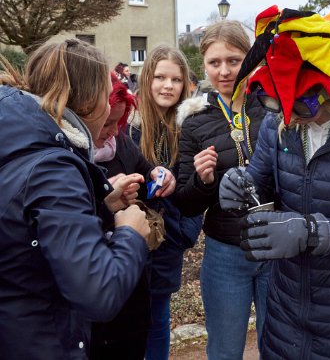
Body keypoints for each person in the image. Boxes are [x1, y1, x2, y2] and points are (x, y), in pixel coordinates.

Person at [219, 5, 330, 359]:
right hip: (285, 312)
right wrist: (238, 183)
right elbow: (259, 180)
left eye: (303, 108)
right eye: (277, 105)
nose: (291, 118)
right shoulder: (281, 126)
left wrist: (314, 233)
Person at [0, 39, 155, 359]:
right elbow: (99, 294)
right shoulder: (53, 168)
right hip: (39, 342)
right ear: (95, 102)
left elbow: (25, 230)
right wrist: (130, 234)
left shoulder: (19, 140)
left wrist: (101, 206)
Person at [175, 20, 268, 360]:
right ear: (205, 66)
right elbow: (185, 204)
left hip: (278, 250)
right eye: (215, 63)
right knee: (225, 350)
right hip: (226, 253)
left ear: (250, 58)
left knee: (280, 345)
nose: (225, 71)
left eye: (234, 59)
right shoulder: (195, 121)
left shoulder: (274, 105)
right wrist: (203, 180)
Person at [90, 73, 175, 360]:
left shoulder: (122, 143)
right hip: (97, 281)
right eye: (107, 122)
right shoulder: (71, 155)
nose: (113, 130)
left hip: (133, 276)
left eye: (119, 122)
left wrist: (158, 176)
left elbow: (147, 176)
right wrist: (107, 204)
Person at [128, 44, 203, 360]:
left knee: (158, 318)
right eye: (160, 77)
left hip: (168, 241)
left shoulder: (191, 129)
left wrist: (183, 231)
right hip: (129, 240)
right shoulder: (127, 127)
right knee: (126, 321)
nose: (168, 86)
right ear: (147, 79)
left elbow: (199, 189)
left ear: (185, 83)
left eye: (175, 79)